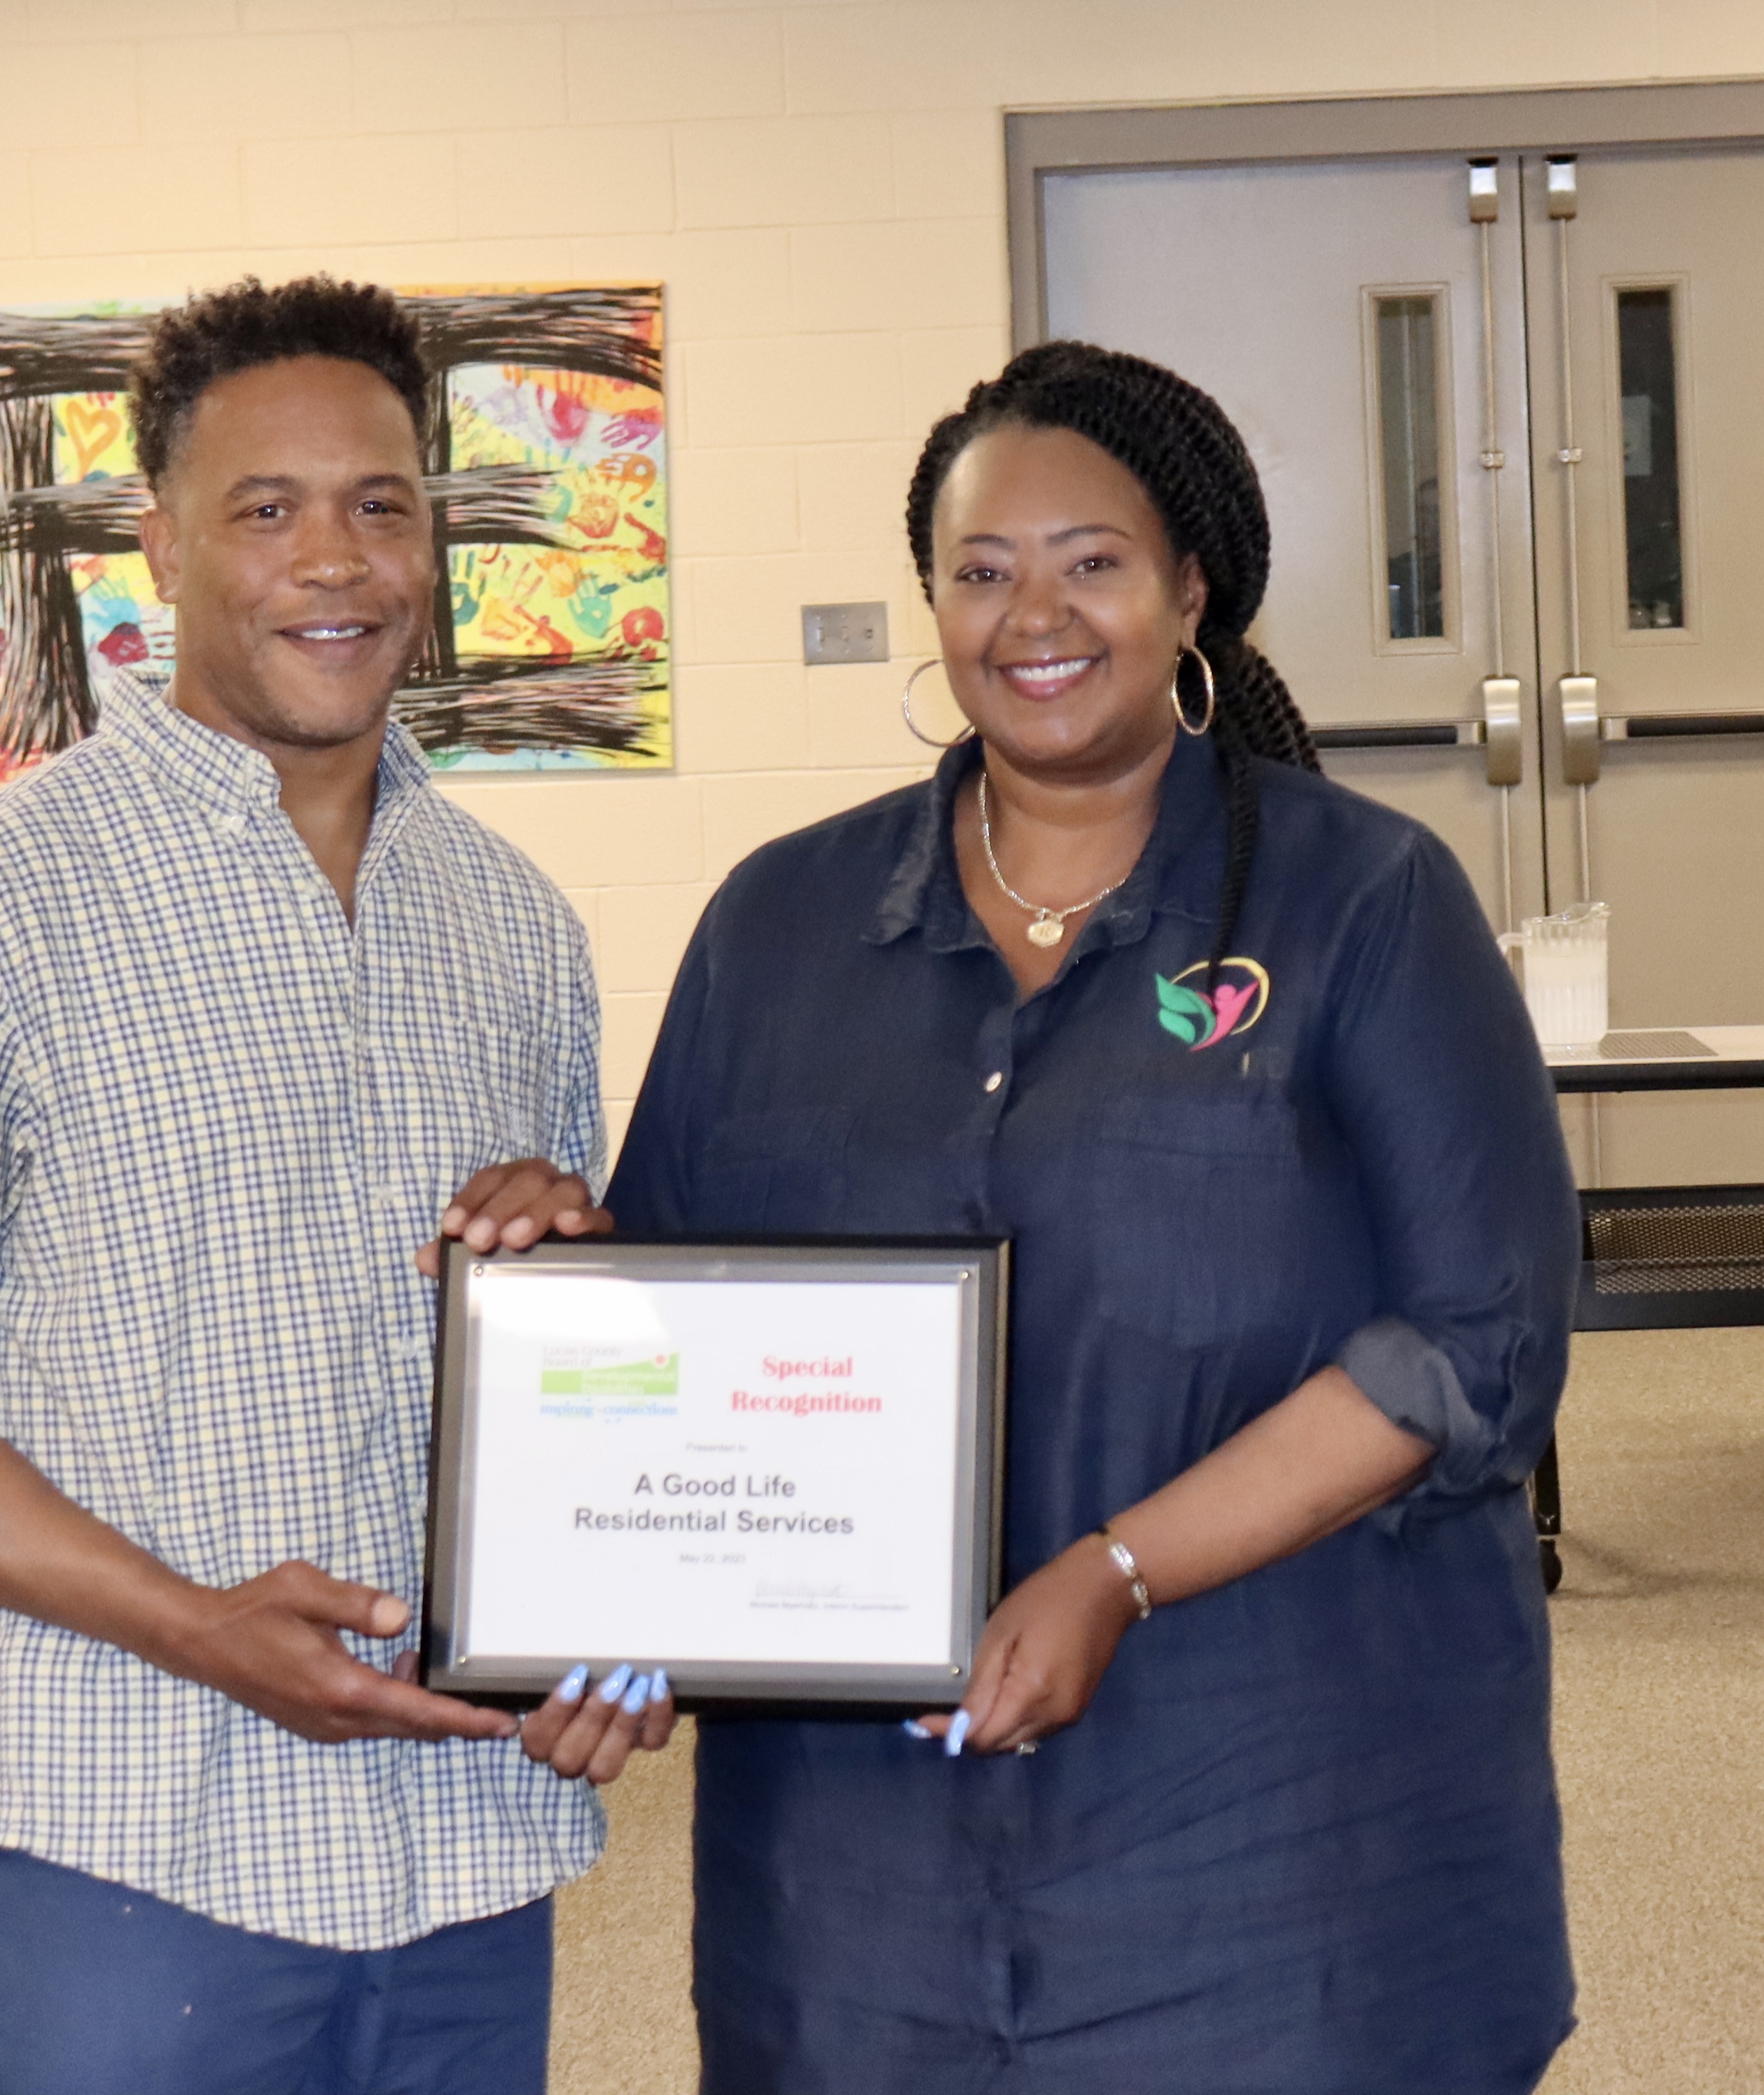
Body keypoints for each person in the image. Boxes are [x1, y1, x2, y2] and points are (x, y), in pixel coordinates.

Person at [0, 276, 673, 2095]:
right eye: (267, 510)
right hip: (136, 1837)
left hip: (466, 1837)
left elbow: (574, 1366)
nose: (334, 560)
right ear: (159, 544)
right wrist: (195, 1626)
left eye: (381, 506)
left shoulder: (513, 927)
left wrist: (582, 1314)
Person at [610, 340, 1577, 2090]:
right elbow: (670, 1314)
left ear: (1189, 587)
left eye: (1090, 561)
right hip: (854, 1881)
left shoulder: (1361, 900)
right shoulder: (779, 926)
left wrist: (1115, 1571)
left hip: (1274, 1836)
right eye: (979, 571)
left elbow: (1477, 1342)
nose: (1029, 614)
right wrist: (561, 1296)